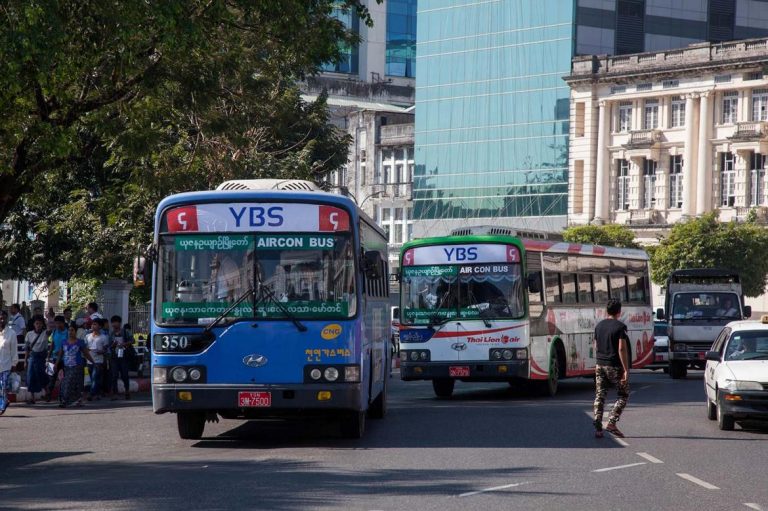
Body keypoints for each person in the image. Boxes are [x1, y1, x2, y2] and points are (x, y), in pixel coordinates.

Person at [593, 299, 631, 438]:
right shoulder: (620, 327)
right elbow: (621, 348)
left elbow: (595, 346)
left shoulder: (599, 326)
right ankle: (611, 422)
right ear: (619, 312)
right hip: (614, 365)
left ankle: (598, 426)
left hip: (599, 364)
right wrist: (626, 369)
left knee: (600, 395)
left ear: (606, 311)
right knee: (623, 394)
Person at [56, 322, 95, 408]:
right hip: (66, 366)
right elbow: (60, 354)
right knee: (65, 383)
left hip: (77, 366)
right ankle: (68, 400)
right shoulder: (64, 342)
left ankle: (66, 401)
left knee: (71, 383)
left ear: (76, 331)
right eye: (69, 330)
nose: (70, 332)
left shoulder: (80, 342)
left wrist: (93, 362)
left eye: (72, 330)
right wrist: (56, 364)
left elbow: (86, 353)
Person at [24, 317, 49, 404]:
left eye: (40, 323)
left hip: (42, 357)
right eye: (36, 323)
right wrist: (25, 361)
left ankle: (47, 393)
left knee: (42, 375)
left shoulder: (45, 333)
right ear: (34, 325)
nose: (38, 325)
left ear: (43, 324)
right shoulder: (29, 334)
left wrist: (48, 319)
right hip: (32, 357)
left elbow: (50, 330)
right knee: (31, 376)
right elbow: (27, 348)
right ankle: (32, 397)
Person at [0, 311, 20, 415]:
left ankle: (2, 406)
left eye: (3, 318)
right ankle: (4, 402)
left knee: (4, 387)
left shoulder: (11, 334)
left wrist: (14, 364)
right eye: (0, 318)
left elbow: (14, 350)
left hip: (6, 366)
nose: (1, 320)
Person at [45, 315, 68, 403]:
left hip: (65, 359)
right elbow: (52, 344)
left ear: (63, 323)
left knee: (63, 378)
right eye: (56, 323)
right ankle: (49, 394)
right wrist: (48, 356)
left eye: (59, 323)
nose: (57, 325)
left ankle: (62, 396)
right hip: (54, 358)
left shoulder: (67, 332)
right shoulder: (54, 332)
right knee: (52, 377)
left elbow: (67, 345)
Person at [84, 318, 108, 401]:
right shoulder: (87, 336)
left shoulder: (104, 337)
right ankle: (97, 393)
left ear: (100, 326)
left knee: (95, 377)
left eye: (95, 324)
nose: (93, 326)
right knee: (92, 378)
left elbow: (106, 349)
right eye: (92, 324)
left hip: (98, 361)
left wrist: (101, 351)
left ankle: (91, 394)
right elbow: (85, 347)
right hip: (89, 360)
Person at [109, 316, 132, 400]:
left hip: (124, 356)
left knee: (124, 375)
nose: (114, 324)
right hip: (114, 357)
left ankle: (127, 390)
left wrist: (124, 344)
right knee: (114, 375)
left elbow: (132, 340)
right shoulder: (111, 333)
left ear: (119, 323)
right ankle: (115, 393)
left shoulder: (125, 332)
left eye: (116, 322)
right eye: (113, 322)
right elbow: (109, 345)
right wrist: (113, 345)